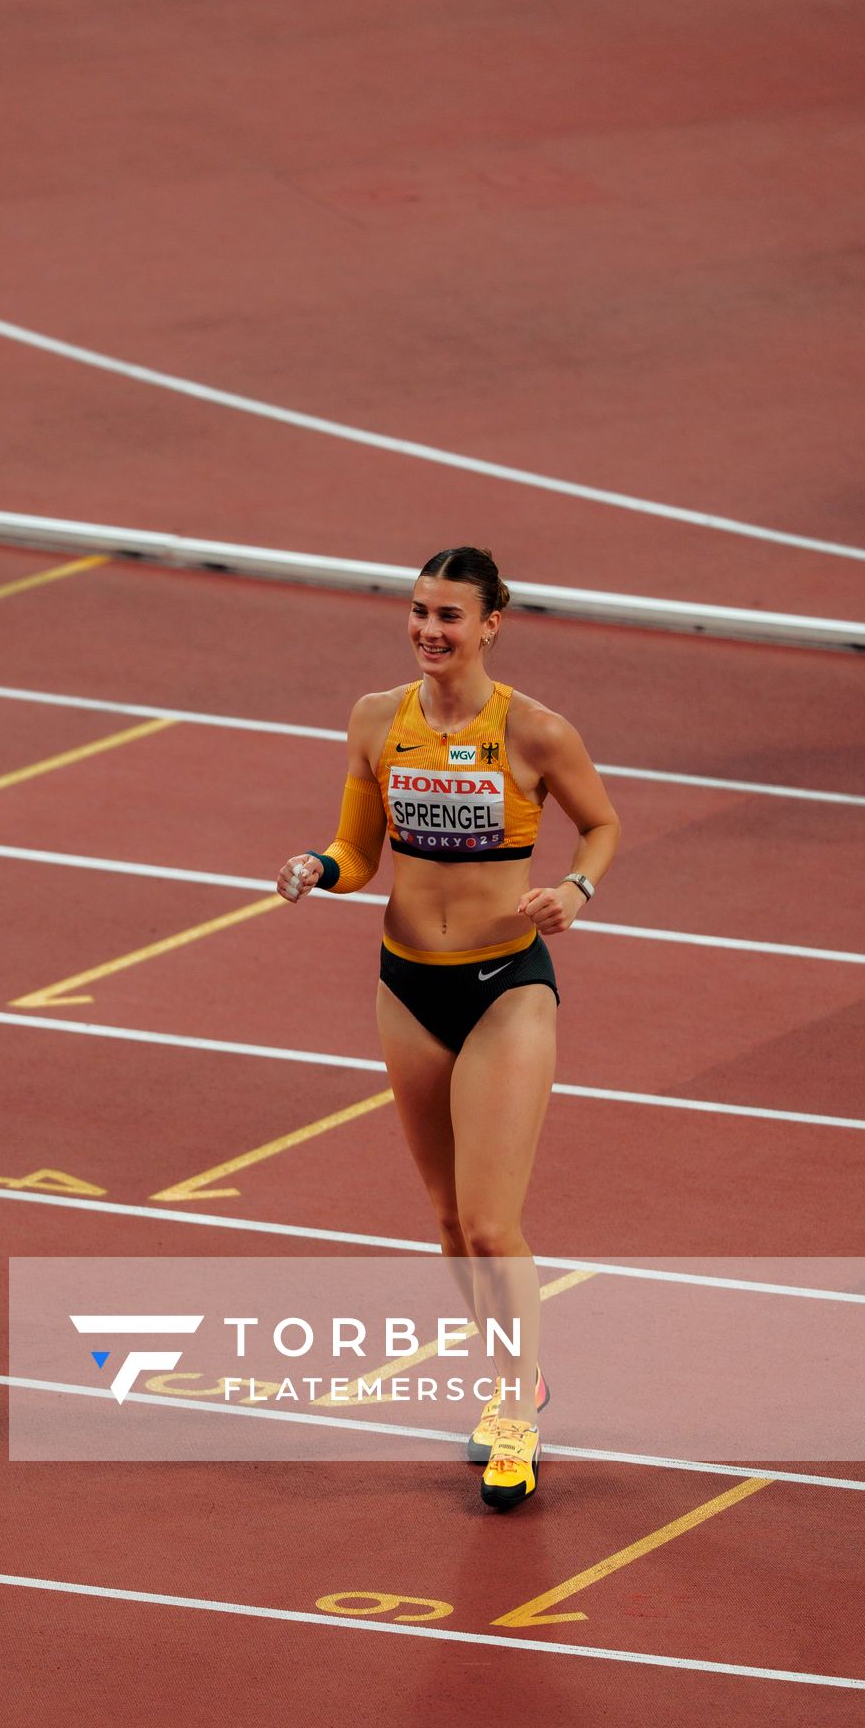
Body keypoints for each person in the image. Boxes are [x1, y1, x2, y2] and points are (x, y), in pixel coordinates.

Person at [277, 546, 620, 1510]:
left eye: (451, 616)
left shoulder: (537, 732)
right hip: (406, 987)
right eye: (419, 611)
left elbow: (602, 825)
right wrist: (318, 866)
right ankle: (516, 1371)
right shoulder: (376, 719)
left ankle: (513, 1413)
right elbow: (358, 848)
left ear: (492, 624)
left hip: (508, 983)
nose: (431, 630)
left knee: (487, 1220)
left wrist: (576, 891)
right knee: (443, 1220)